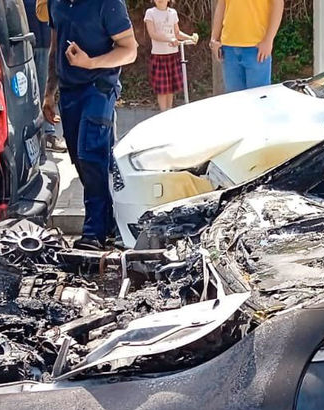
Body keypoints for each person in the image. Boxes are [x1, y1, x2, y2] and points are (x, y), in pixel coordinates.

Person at [44, 0, 137, 248]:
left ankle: (93, 232)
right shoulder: (56, 2)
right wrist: (49, 92)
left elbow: (129, 50)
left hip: (100, 87)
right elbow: (55, 47)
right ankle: (110, 223)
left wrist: (91, 63)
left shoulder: (109, 4)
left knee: (91, 154)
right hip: (68, 90)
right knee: (80, 160)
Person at [210, 0, 283, 93]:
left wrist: (269, 40)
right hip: (229, 49)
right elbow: (221, 4)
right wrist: (214, 39)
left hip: (257, 49)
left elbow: (278, 4)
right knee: (235, 102)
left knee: (258, 100)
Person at [25, 0, 64, 150]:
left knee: (44, 90)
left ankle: (48, 135)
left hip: (46, 42)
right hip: (22, 41)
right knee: (23, 94)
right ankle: (33, 139)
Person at [145, 0, 197, 110]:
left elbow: (177, 33)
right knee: (162, 90)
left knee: (171, 89)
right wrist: (170, 39)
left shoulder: (173, 13)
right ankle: (163, 114)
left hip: (173, 55)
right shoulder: (150, 13)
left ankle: (168, 112)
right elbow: (153, 34)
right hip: (159, 56)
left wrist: (190, 38)